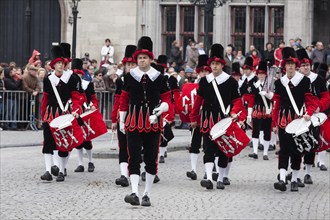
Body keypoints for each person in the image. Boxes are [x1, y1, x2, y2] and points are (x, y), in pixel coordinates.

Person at [120, 36, 171, 206]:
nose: (142, 61)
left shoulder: (159, 77)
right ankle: (134, 192)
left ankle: (147, 194)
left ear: (150, 59)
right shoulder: (129, 77)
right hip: (134, 120)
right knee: (133, 157)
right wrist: (121, 120)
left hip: (153, 121)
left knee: (151, 158)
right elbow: (123, 100)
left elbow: (167, 100)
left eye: (145, 58)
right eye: (139, 58)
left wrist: (161, 110)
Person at [190, 44, 245, 190]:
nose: (215, 66)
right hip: (207, 119)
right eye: (213, 64)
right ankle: (208, 178)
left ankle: (220, 177)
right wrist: (194, 118)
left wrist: (234, 113)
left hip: (223, 120)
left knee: (223, 150)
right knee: (208, 149)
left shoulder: (231, 82)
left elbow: (237, 101)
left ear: (222, 65)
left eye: (217, 64)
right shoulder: (204, 81)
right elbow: (198, 102)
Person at [270, 47, 318, 192]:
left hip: (298, 119)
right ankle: (283, 178)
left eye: (292, 63)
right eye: (287, 63)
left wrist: (309, 113)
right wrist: (274, 123)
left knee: (297, 149)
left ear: (296, 65)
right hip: (284, 119)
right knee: (284, 149)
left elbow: (311, 101)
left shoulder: (304, 81)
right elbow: (276, 105)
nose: (290, 66)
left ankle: (295, 178)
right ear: (284, 66)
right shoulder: (279, 83)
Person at [40, 45, 84, 182]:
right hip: (51, 113)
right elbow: (45, 99)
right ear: (53, 65)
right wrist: (43, 115)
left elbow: (76, 97)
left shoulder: (71, 79)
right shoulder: (48, 79)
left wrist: (77, 110)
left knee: (63, 143)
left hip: (65, 113)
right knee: (48, 141)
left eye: (62, 63)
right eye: (58, 63)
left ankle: (60, 170)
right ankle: (48, 170)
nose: (60, 65)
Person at [297, 48, 330, 183]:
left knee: (311, 143)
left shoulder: (318, 79)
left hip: (314, 116)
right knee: (297, 145)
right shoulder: (296, 80)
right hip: (299, 116)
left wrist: (318, 107)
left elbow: (326, 97)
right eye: (303, 65)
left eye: (307, 65)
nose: (305, 67)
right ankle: (295, 173)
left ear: (310, 65)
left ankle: (308, 172)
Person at [111, 45, 137, 187]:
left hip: (138, 117)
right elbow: (117, 100)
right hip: (123, 116)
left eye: (133, 64)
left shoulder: (142, 79)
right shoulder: (121, 81)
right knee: (123, 146)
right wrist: (114, 118)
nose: (130, 67)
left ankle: (135, 172)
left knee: (135, 147)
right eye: (128, 64)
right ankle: (123, 175)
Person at [185, 54, 211, 180]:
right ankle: (193, 169)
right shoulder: (192, 86)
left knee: (208, 146)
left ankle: (209, 171)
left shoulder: (212, 84)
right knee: (194, 144)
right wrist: (192, 118)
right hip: (196, 118)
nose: (204, 74)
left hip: (208, 118)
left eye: (206, 71)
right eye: (202, 71)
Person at [73, 59, 98, 173]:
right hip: (76, 112)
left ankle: (91, 161)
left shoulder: (88, 82)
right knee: (78, 138)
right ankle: (80, 163)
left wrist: (94, 106)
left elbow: (93, 97)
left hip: (86, 111)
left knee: (87, 139)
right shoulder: (71, 82)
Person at [247, 61, 272, 160]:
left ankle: (265, 153)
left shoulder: (269, 85)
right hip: (257, 110)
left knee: (267, 131)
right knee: (255, 131)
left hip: (267, 110)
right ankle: (255, 152)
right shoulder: (254, 86)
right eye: (259, 74)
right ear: (257, 75)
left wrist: (266, 94)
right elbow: (250, 100)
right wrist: (249, 114)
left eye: (263, 74)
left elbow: (273, 98)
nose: (261, 76)